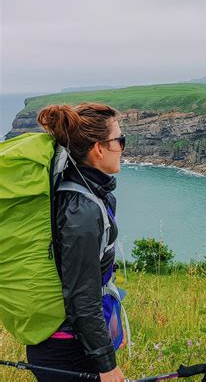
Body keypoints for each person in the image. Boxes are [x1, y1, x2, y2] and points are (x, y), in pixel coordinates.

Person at [26, 103, 126, 382]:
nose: (123, 148)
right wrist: (106, 364)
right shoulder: (80, 210)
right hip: (66, 348)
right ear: (98, 148)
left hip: (69, 341)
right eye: (120, 140)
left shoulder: (82, 190)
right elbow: (82, 298)